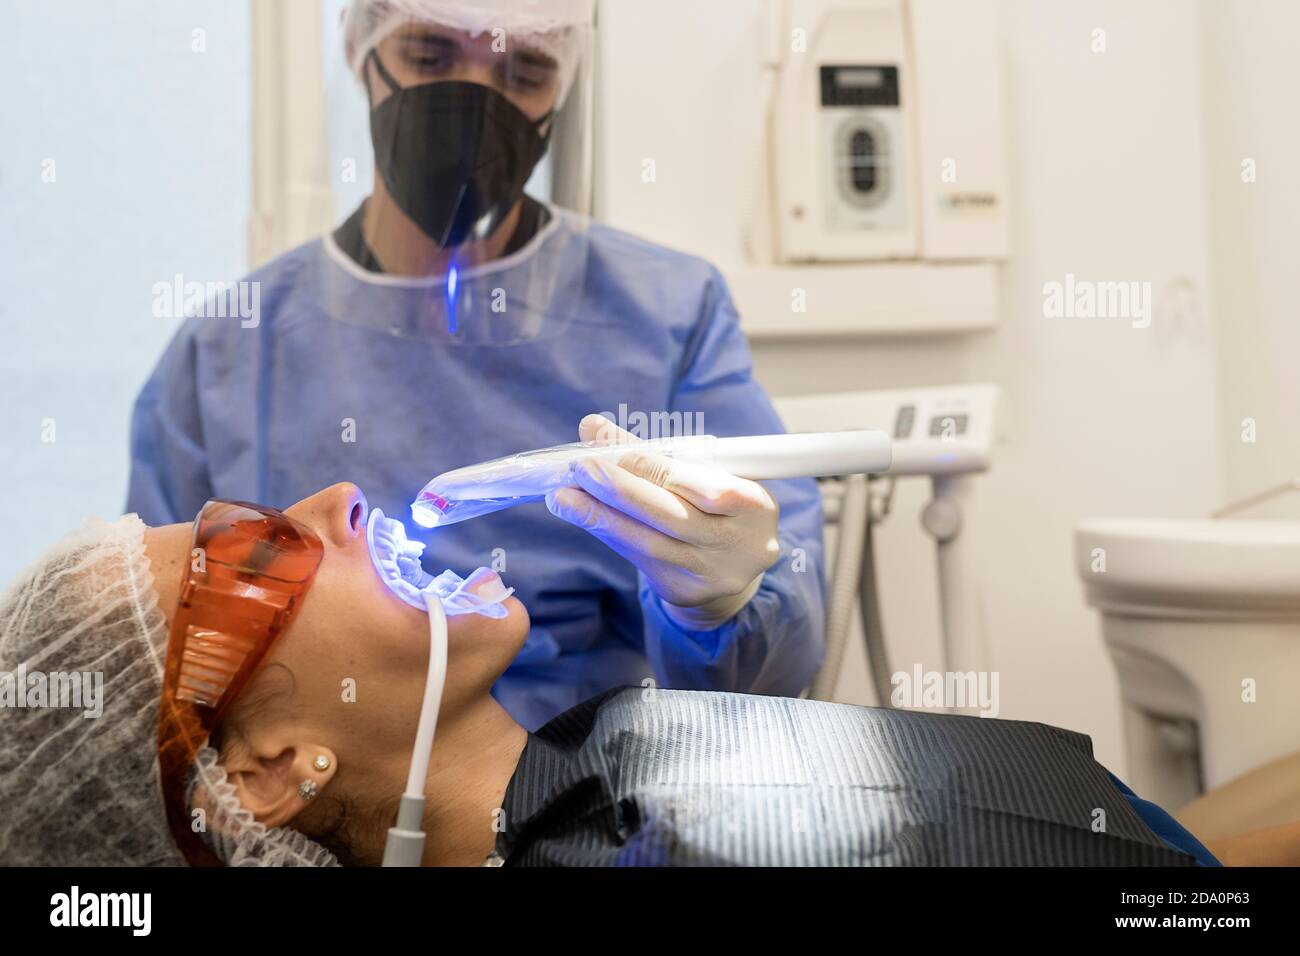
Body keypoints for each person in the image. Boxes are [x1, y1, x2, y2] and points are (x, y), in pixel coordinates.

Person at [126, 0, 826, 732]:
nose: (474, 104)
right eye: (429, 56)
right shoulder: (233, 348)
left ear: (563, 90)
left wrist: (718, 604)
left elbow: (775, 673)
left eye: (524, 71)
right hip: (312, 797)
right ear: (359, 51)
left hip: (580, 794)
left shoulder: (666, 313)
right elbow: (156, 651)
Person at [1, 484, 1230, 867]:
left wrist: (716, 595)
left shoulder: (601, 761)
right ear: (265, 772)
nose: (332, 497)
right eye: (254, 552)